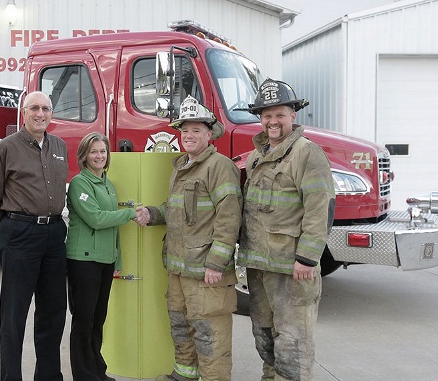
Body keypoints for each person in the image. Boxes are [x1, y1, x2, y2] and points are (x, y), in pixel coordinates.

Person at [136, 95, 242, 381]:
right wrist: (151, 213)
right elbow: (176, 209)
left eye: (196, 130)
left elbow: (229, 218)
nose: (189, 135)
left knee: (210, 334)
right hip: (179, 268)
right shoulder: (181, 165)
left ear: (210, 134)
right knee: (181, 327)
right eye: (185, 130)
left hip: (205, 271)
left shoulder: (219, 166)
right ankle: (184, 374)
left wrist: (217, 264)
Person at [239, 78, 336, 381]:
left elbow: (320, 207)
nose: (273, 121)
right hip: (259, 265)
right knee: (264, 336)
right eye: (266, 115)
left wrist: (307, 258)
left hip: (291, 268)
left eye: (279, 114)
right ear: (260, 118)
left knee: (293, 342)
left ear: (293, 115)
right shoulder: (257, 157)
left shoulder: (307, 153)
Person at [0, 91, 69, 381]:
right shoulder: (6, 148)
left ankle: (48, 376)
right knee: (14, 315)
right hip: (20, 234)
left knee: (54, 311)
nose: (40, 113)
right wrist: (10, 227)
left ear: (51, 113)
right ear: (24, 112)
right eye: (34, 108)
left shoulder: (59, 146)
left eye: (45, 108)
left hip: (54, 234)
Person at [66, 132, 138, 381]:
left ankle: (97, 370)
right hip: (83, 261)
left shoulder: (108, 184)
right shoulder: (79, 183)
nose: (99, 156)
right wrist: (130, 214)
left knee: (98, 319)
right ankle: (84, 375)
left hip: (105, 261)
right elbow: (96, 219)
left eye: (103, 151)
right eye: (94, 151)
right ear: (84, 155)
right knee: (83, 320)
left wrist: (116, 259)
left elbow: (113, 228)